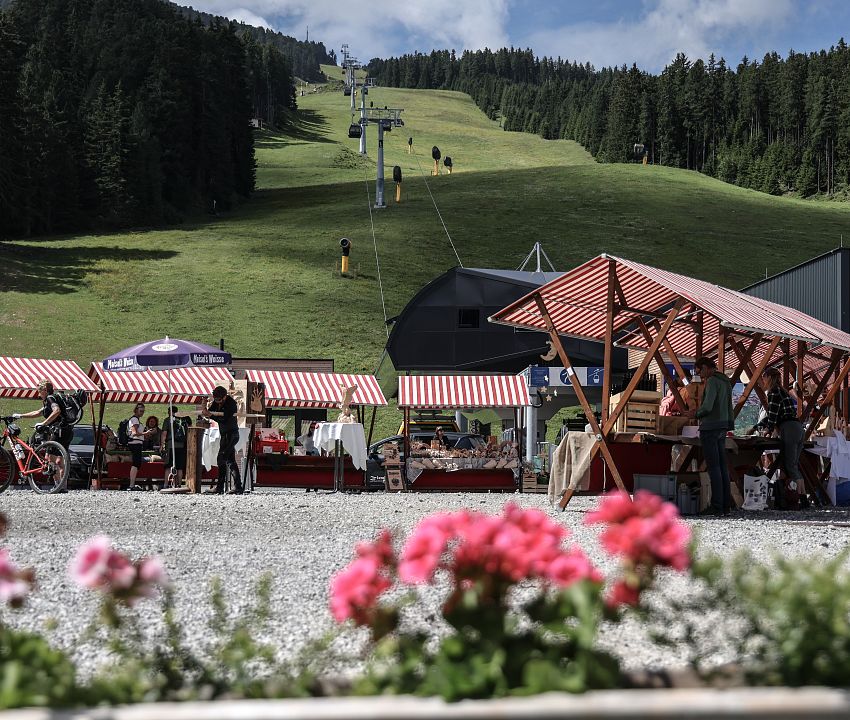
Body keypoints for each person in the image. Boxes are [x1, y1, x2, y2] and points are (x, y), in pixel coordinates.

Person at [687, 357, 734, 515]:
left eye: (700, 372)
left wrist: (695, 414)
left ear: (706, 367)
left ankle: (717, 506)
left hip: (711, 427)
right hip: (722, 426)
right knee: (722, 467)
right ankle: (725, 505)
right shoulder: (725, 381)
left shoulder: (713, 381)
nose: (700, 376)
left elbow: (707, 406)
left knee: (713, 467)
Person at [753, 367, 805, 507]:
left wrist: (766, 430)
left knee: (789, 465)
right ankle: (802, 496)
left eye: (764, 376)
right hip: (798, 427)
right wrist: (757, 426)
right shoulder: (783, 391)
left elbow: (772, 417)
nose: (762, 379)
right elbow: (772, 414)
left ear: (769, 377)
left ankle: (800, 498)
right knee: (793, 464)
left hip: (788, 428)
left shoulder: (773, 392)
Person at [12, 379, 73, 484]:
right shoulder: (54, 399)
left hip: (59, 431)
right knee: (60, 461)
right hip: (67, 431)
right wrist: (21, 415)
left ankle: (57, 485)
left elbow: (56, 411)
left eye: (39, 392)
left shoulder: (50, 399)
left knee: (50, 459)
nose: (39, 395)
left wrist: (43, 423)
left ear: (44, 390)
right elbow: (38, 412)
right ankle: (63, 486)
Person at [202, 386, 243, 494]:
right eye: (216, 400)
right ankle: (237, 486)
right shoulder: (217, 401)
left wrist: (210, 415)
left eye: (219, 400)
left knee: (221, 458)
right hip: (225, 435)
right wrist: (205, 407)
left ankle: (220, 487)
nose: (218, 402)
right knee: (230, 461)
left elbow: (224, 419)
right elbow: (211, 411)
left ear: (224, 397)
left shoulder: (231, 403)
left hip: (232, 434)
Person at [127, 403, 155, 490]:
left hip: (136, 443)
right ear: (136, 410)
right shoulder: (135, 420)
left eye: (143, 411)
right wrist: (146, 433)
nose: (142, 412)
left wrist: (145, 434)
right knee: (136, 464)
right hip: (135, 444)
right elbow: (134, 433)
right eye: (141, 411)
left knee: (137, 464)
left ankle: (132, 484)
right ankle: (131, 485)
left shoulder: (135, 419)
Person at [160, 405, 187, 487]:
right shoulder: (181, 420)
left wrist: (162, 445)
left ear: (169, 411)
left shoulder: (167, 420)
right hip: (181, 446)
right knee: (179, 467)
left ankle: (165, 484)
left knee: (168, 466)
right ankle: (179, 484)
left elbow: (164, 434)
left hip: (171, 445)